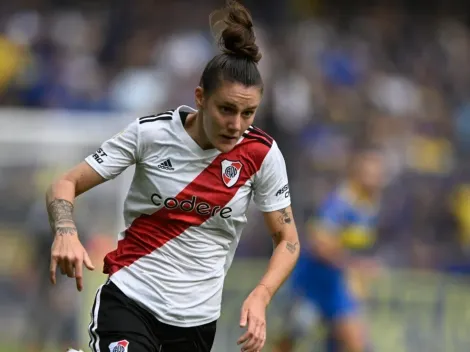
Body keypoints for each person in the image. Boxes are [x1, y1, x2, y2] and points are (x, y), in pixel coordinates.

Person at [46, 2, 300, 352]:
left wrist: (262, 294)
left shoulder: (262, 154)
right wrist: (65, 231)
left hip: (197, 322)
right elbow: (66, 183)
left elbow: (287, 239)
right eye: (226, 109)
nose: (237, 125)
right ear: (200, 98)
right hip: (131, 299)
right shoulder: (150, 135)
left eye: (248, 113)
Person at [273, 145, 384, 352]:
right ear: (357, 173)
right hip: (311, 283)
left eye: (378, 173)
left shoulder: (370, 205)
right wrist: (355, 265)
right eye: (371, 173)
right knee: (291, 338)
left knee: (354, 343)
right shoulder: (341, 202)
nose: (376, 179)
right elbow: (319, 244)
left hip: (336, 288)